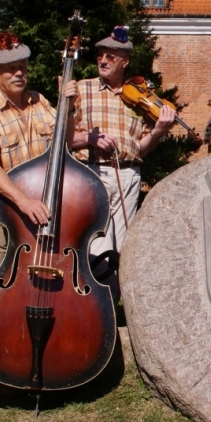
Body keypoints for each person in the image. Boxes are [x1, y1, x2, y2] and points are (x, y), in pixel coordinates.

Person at [0, 32, 78, 276]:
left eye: (22, 67)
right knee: (1, 279)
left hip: (37, 206)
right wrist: (22, 201)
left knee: (36, 278)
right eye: (10, 69)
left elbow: (65, 144)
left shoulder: (40, 102)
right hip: (0, 207)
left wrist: (68, 108)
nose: (19, 73)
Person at [70, 26, 176, 274]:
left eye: (111, 57)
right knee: (92, 241)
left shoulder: (137, 97)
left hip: (128, 174)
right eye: (100, 56)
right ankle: (88, 299)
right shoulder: (82, 89)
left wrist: (158, 131)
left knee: (121, 244)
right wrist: (89, 138)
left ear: (125, 61)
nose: (103, 61)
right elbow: (61, 139)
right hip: (91, 172)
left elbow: (140, 148)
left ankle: (111, 301)